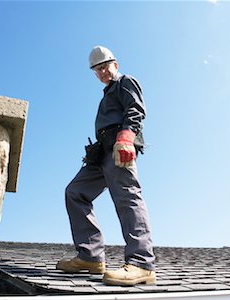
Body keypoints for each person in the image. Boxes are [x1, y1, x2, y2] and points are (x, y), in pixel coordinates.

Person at [56, 46, 156, 286]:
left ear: (115, 64)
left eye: (104, 67)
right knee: (75, 192)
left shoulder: (125, 82)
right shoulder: (106, 94)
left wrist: (125, 139)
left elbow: (136, 110)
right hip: (101, 153)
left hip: (119, 148)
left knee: (127, 196)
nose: (102, 72)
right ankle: (90, 257)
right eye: (97, 70)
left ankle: (142, 262)